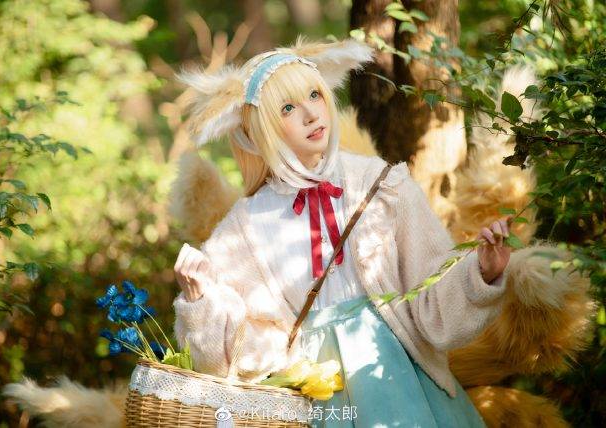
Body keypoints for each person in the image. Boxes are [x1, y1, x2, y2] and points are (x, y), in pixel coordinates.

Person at [173, 36, 511, 427]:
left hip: (398, 380)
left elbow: (431, 294)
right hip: (312, 399)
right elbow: (227, 360)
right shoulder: (243, 228)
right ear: (260, 128)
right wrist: (199, 301)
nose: (310, 114)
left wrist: (479, 273)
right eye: (287, 108)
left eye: (315, 95)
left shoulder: (381, 184)